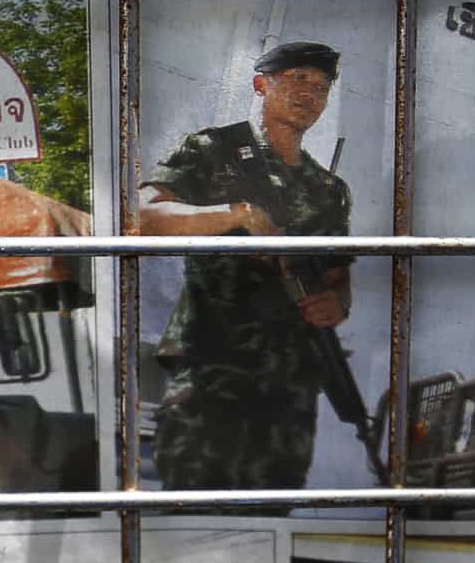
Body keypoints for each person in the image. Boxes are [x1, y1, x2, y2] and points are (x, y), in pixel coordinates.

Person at [138, 40, 355, 489]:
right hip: (212, 371)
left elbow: (337, 278)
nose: (309, 93)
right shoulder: (214, 149)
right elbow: (142, 217)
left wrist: (336, 304)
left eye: (321, 86)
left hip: (289, 392)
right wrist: (236, 214)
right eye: (297, 79)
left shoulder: (329, 190)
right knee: (193, 514)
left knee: (271, 521)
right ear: (262, 84)